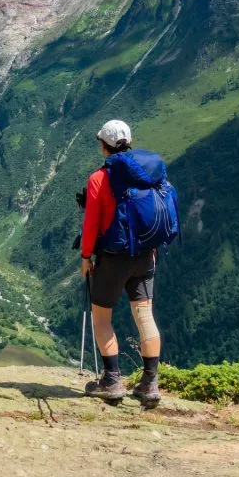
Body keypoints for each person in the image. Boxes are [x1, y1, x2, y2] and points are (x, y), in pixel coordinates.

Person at [79, 119, 162, 407]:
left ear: (104, 146)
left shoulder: (99, 179)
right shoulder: (149, 174)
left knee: (102, 317)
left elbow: (90, 226)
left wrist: (86, 257)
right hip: (145, 256)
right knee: (144, 315)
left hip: (113, 259)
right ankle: (149, 383)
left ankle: (112, 380)